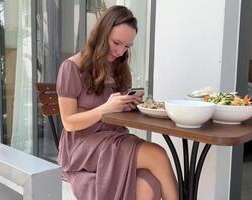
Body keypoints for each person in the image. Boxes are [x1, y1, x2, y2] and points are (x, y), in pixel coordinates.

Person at [56, 5, 178, 200]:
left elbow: (117, 116)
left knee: (148, 185)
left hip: (114, 137)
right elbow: (69, 122)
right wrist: (106, 108)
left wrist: (128, 105)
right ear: (101, 34)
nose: (121, 51)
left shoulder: (119, 68)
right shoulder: (71, 68)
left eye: (127, 46)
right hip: (82, 145)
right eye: (116, 42)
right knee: (158, 155)